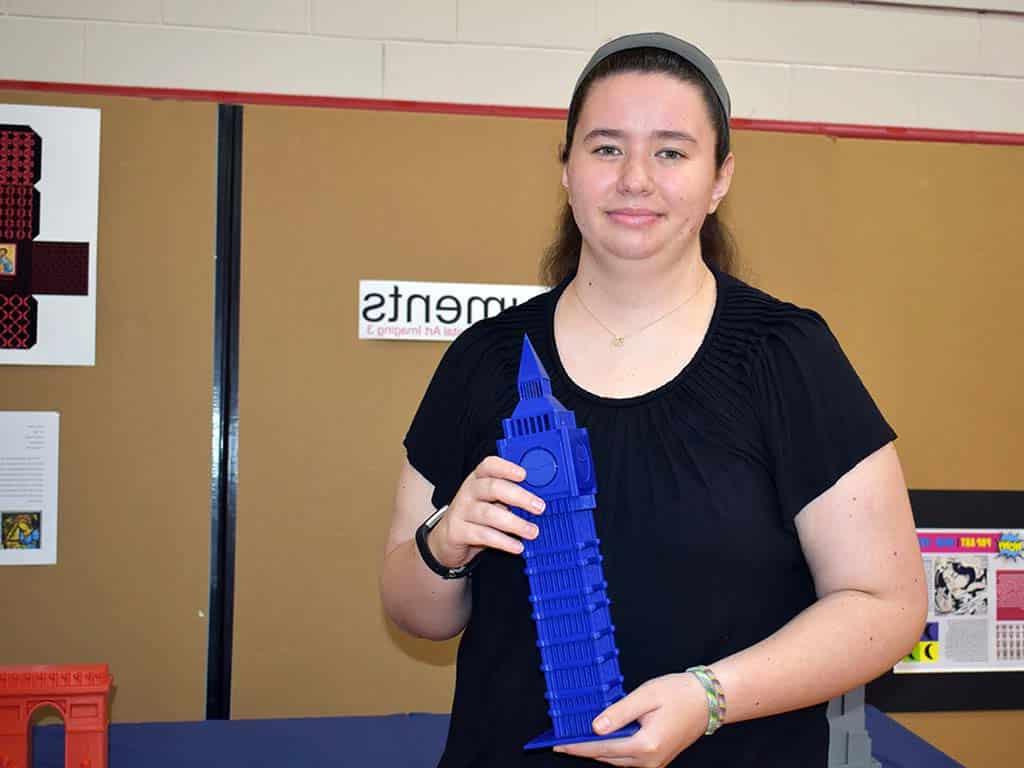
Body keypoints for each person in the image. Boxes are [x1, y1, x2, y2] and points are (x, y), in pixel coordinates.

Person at [380, 32, 927, 767]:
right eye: (606, 149)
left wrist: (712, 695)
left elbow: (886, 606)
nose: (636, 178)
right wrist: (445, 545)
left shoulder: (787, 356)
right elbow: (413, 613)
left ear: (720, 177)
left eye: (671, 151)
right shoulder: (484, 360)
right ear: (567, 170)